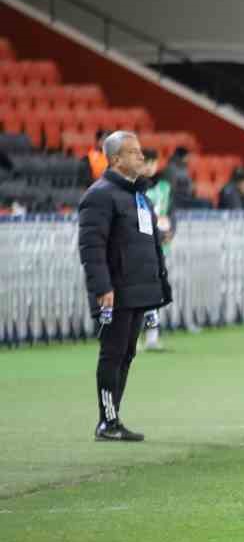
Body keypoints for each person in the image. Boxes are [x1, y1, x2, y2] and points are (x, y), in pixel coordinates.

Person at [78, 130, 172, 441]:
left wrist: (159, 285)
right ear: (116, 159)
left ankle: (113, 417)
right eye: (134, 152)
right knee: (112, 353)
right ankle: (106, 420)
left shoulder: (139, 196)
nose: (142, 157)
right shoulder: (100, 195)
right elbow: (92, 248)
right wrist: (102, 287)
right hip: (114, 291)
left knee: (127, 354)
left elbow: (151, 245)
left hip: (138, 290)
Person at [139, 148, 176, 352]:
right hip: (140, 247)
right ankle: (133, 336)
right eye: (146, 162)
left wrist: (171, 231)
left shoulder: (164, 187)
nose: (150, 167)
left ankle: (152, 336)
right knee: (137, 294)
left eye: (153, 162)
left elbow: (171, 212)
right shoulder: (134, 189)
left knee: (154, 294)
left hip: (160, 248)